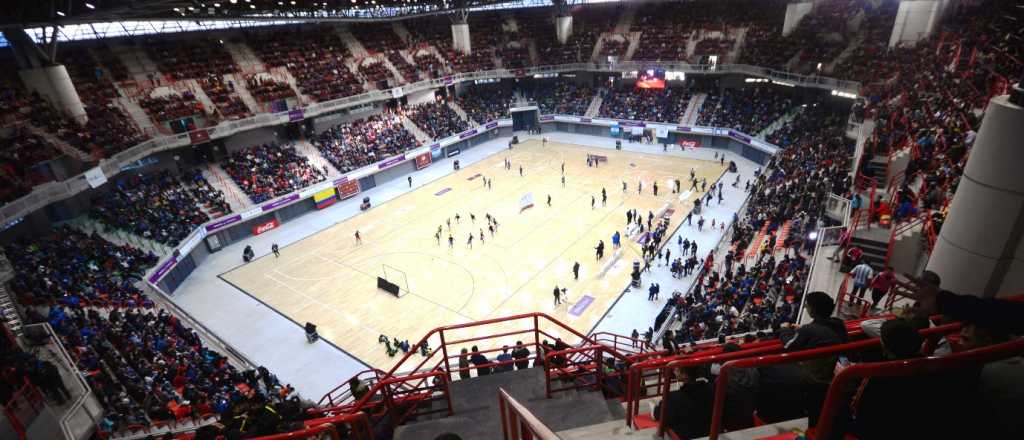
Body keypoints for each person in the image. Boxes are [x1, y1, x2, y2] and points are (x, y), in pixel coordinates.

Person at [653, 366, 713, 439]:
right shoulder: (714, 389)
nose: (674, 370)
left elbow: (659, 415)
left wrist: (655, 408)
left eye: (677, 368)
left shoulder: (673, 398)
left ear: (684, 374)